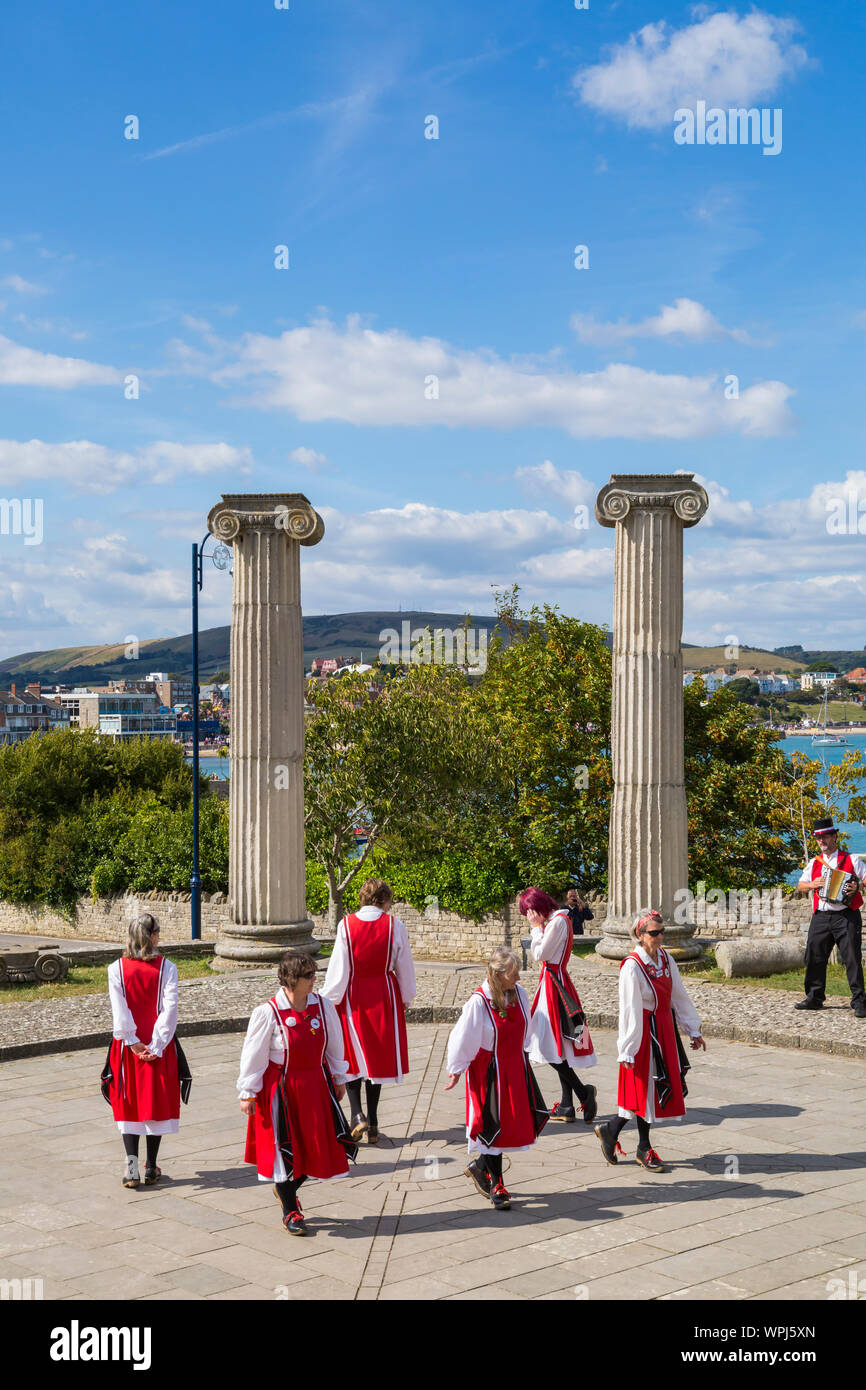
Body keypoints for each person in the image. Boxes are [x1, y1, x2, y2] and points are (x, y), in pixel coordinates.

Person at [237, 952, 357, 1235]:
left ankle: (286, 1193)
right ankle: (290, 1208)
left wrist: (339, 1078)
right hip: (281, 1092)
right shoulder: (268, 1012)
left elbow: (335, 1045)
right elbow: (253, 1055)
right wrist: (248, 1092)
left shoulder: (323, 1007)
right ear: (291, 980)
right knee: (285, 1152)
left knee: (317, 1148)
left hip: (316, 1086)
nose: (315, 979)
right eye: (309, 975)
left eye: (315, 974)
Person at [594, 910, 705, 1173]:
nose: (659, 937)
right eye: (654, 933)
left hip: (664, 1028)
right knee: (643, 1089)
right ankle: (640, 1146)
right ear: (640, 936)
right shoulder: (632, 966)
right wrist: (628, 1049)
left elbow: (678, 995)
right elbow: (629, 1010)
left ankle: (614, 1132)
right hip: (643, 1032)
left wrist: (693, 1029)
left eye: (661, 931)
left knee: (652, 1090)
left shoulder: (666, 959)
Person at [445, 947, 549, 1210]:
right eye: (514, 974)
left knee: (509, 1125)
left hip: (514, 1066)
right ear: (499, 974)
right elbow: (463, 1036)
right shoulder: (479, 1002)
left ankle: (481, 1167)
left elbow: (527, 1028)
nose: (519, 979)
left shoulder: (520, 995)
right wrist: (457, 1068)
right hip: (488, 1070)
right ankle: (497, 1183)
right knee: (491, 1124)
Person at [320, 878, 416, 1144]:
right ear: (385, 901)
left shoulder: (346, 925)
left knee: (351, 1055)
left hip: (353, 995)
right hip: (384, 993)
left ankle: (357, 1114)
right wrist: (406, 997)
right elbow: (404, 965)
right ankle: (373, 1123)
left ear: (362, 899)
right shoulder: (395, 926)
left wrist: (329, 1000)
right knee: (376, 1060)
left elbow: (339, 967)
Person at [100, 914, 191, 1188]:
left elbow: (120, 1009)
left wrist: (132, 1041)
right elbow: (169, 1009)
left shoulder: (115, 968)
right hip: (156, 1048)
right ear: (152, 936)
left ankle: (131, 1167)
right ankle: (150, 1166)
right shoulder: (168, 968)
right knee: (154, 1102)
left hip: (128, 1048)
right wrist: (157, 1044)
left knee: (129, 1100)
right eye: (158, 932)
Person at [520, 887, 598, 1123]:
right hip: (551, 983)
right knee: (559, 1045)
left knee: (545, 1043)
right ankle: (567, 1105)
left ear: (538, 907)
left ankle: (583, 1092)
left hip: (555, 985)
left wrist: (535, 929)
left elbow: (541, 954)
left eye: (530, 912)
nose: (530, 917)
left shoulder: (559, 921)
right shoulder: (554, 921)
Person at [795, 817, 866, 1017]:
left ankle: (859, 1001)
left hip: (846, 916)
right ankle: (814, 998)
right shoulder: (814, 863)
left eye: (825, 836)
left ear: (834, 837)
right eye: (818, 838)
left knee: (852, 958)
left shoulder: (851, 860)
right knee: (814, 956)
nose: (821, 841)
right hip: (822, 917)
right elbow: (801, 885)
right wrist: (813, 885)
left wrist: (858, 886)